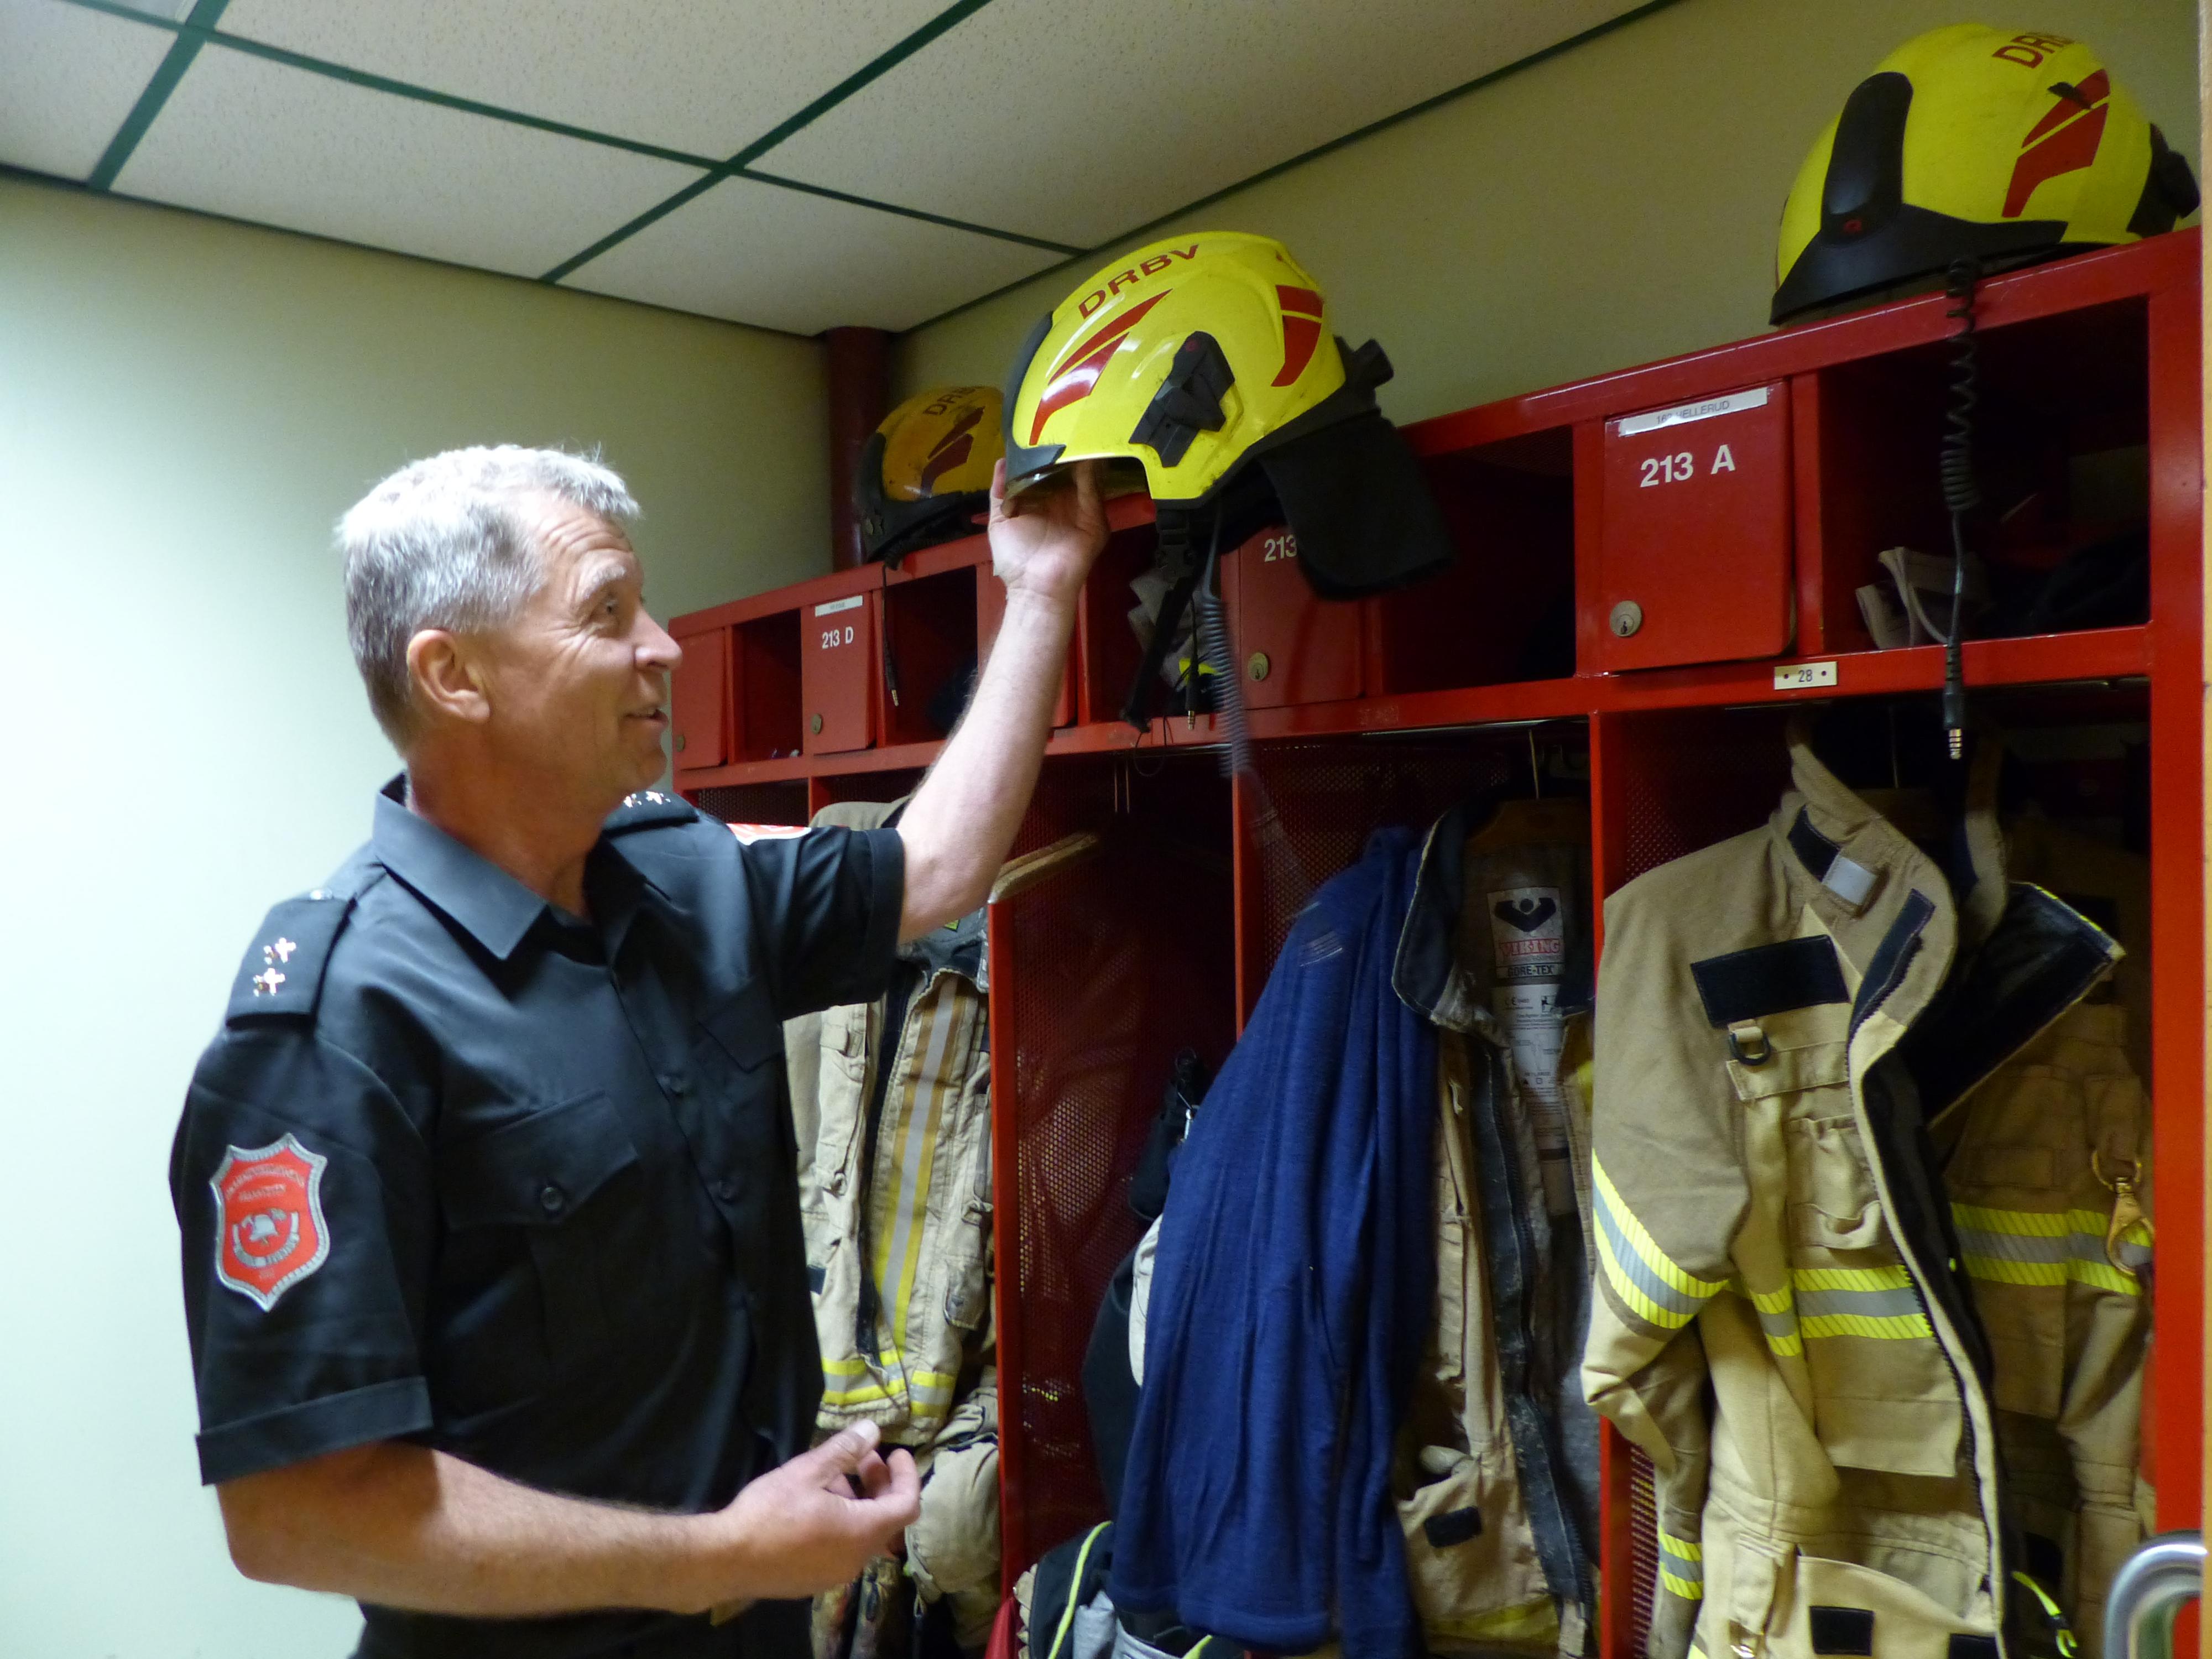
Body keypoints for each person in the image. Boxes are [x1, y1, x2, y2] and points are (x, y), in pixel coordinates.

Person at [169, 444, 1107, 1659]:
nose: (661, 646)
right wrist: (718, 1560)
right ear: (453, 676)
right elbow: (297, 1513)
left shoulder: (685, 880)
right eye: (607, 612)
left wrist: (1036, 587)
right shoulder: (340, 1022)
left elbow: (934, 867)